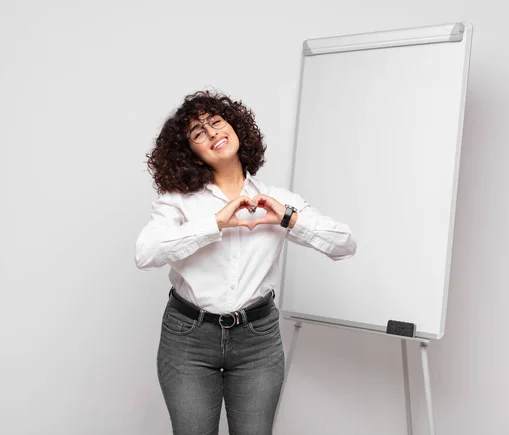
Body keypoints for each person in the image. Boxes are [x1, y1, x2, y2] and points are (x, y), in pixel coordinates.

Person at [134, 89, 357, 435]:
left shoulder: (279, 201)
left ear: (235, 127)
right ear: (190, 152)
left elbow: (344, 244)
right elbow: (145, 253)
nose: (212, 134)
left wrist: (287, 218)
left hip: (257, 340)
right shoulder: (178, 202)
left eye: (216, 122)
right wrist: (215, 224)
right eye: (199, 134)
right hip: (188, 339)